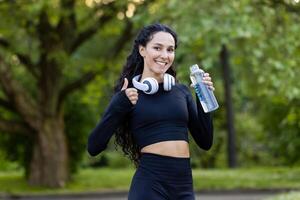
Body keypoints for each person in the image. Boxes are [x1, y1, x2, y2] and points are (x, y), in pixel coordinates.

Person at [87, 23, 214, 200]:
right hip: (150, 185)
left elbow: (205, 141)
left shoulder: (181, 91)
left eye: (170, 50)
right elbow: (94, 146)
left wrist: (203, 97)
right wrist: (118, 104)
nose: (164, 55)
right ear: (142, 50)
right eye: (157, 48)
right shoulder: (129, 95)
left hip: (183, 185)